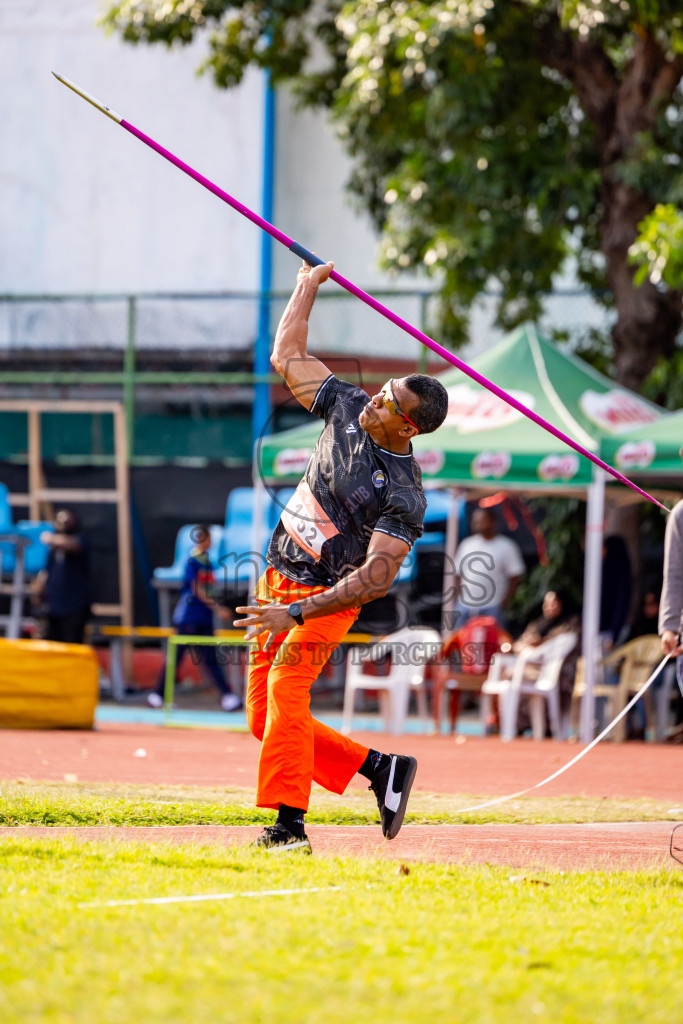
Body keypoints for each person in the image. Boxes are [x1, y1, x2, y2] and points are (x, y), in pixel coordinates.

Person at [234, 257, 449, 853]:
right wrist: (306, 288)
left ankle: (289, 829)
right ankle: (381, 769)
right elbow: (287, 356)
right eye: (379, 392)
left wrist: (298, 615)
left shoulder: (404, 494)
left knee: (286, 687)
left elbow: (375, 579)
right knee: (263, 719)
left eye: (386, 403)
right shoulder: (347, 406)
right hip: (277, 577)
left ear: (407, 428)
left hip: (326, 599)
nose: (373, 403)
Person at [148, 524, 241, 712]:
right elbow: (196, 588)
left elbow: (207, 588)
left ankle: (226, 695)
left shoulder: (207, 561)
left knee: (211, 659)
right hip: (188, 618)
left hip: (203, 619)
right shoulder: (193, 561)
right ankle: (157, 694)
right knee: (175, 657)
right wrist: (217, 608)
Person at [452, 506, 524, 627]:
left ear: (493, 522)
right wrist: (457, 597)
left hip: (493, 606)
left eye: (483, 520)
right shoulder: (467, 544)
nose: (479, 524)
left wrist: (504, 601)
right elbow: (457, 574)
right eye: (476, 521)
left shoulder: (506, 546)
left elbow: (515, 576)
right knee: (459, 641)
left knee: (492, 643)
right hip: (465, 605)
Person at [33, 508, 91, 644]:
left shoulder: (80, 540)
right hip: (54, 606)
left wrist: (50, 538)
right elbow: (46, 571)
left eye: (67, 521)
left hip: (74, 606)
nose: (63, 524)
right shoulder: (53, 550)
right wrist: (39, 593)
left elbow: (72, 544)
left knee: (72, 644)